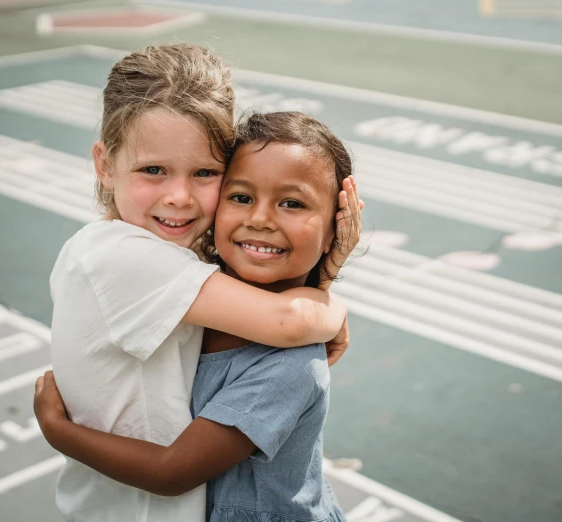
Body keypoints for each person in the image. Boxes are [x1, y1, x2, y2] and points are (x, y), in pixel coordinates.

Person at [47, 44, 362, 522]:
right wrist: (331, 308)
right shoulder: (122, 257)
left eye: (206, 173)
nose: (179, 197)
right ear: (105, 165)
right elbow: (289, 320)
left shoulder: (171, 254)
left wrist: (326, 284)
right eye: (153, 169)